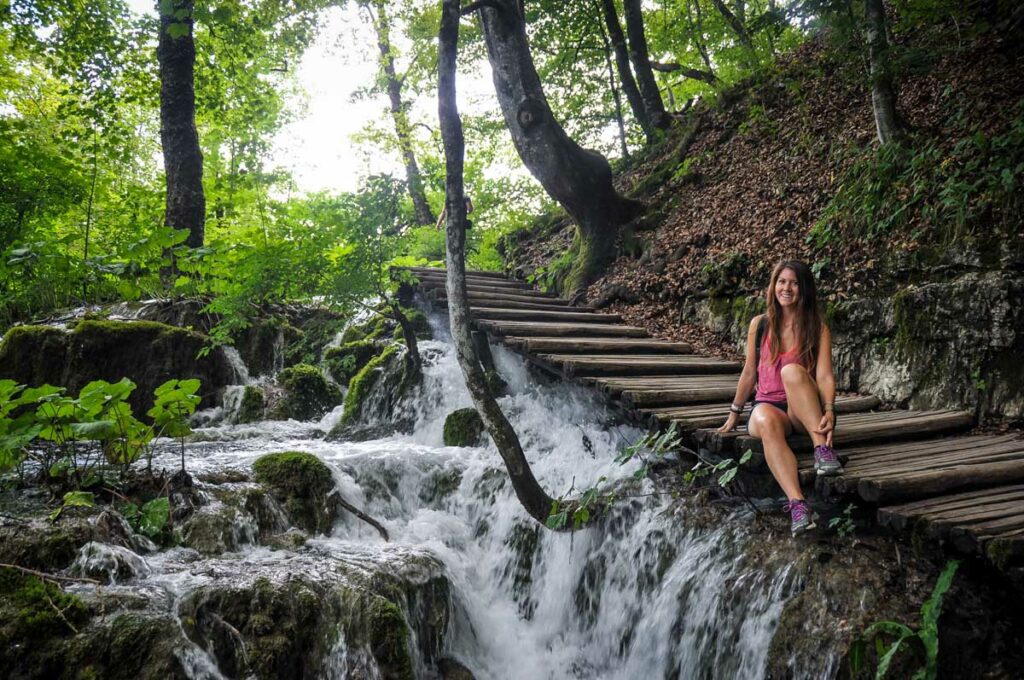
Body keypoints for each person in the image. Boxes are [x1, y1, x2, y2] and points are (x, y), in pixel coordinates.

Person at [717, 259, 842, 536]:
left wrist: (830, 410)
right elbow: (749, 371)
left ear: (804, 288)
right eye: (781, 282)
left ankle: (822, 451)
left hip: (801, 408)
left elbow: (823, 376)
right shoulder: (759, 325)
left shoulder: (816, 327)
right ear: (773, 286)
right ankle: (798, 505)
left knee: (792, 372)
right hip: (766, 407)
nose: (786, 288)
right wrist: (734, 413)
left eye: (794, 283)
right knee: (766, 422)